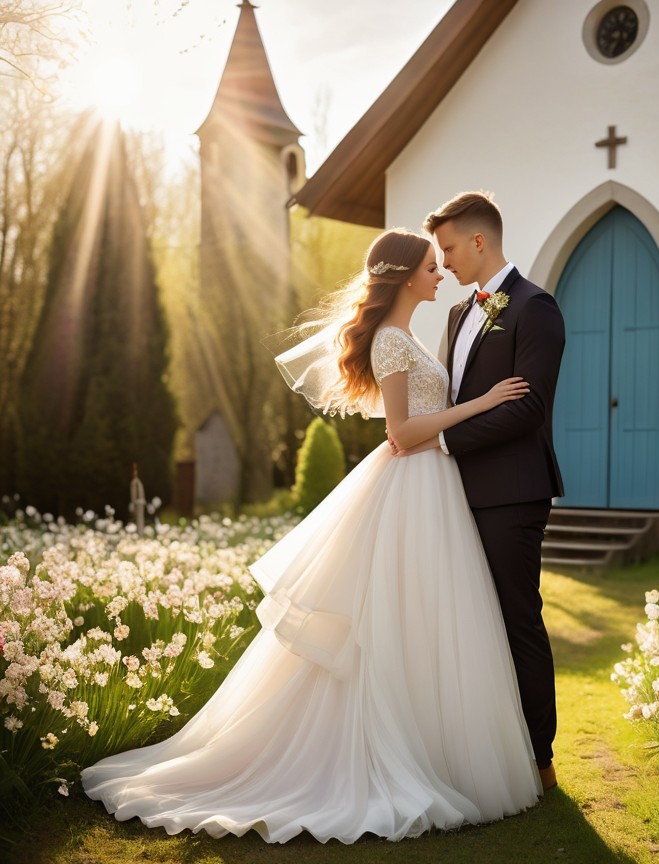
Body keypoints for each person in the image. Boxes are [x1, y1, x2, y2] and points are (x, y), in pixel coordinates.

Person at [82, 228, 543, 843]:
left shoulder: (406, 337)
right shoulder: (388, 342)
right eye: (432, 266)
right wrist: (481, 403)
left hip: (435, 490)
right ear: (407, 277)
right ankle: (377, 756)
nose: (440, 274)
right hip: (412, 487)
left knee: (427, 622)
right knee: (391, 624)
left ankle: (439, 754)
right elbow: (403, 433)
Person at [416, 191, 565, 790]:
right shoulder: (456, 314)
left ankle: (539, 758)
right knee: (466, 622)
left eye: (449, 248)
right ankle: (482, 753)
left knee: (515, 619)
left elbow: (529, 408)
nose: (444, 260)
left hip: (511, 494)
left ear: (479, 241)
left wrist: (447, 445)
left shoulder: (536, 308)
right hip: (455, 495)